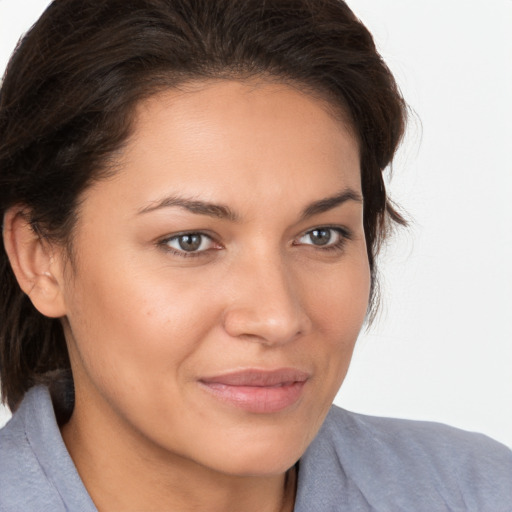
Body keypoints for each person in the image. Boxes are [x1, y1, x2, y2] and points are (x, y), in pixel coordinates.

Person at [0, 0, 510, 510]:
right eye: (190, 241)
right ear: (40, 258)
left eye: (321, 235)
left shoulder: (479, 492)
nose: (277, 318)